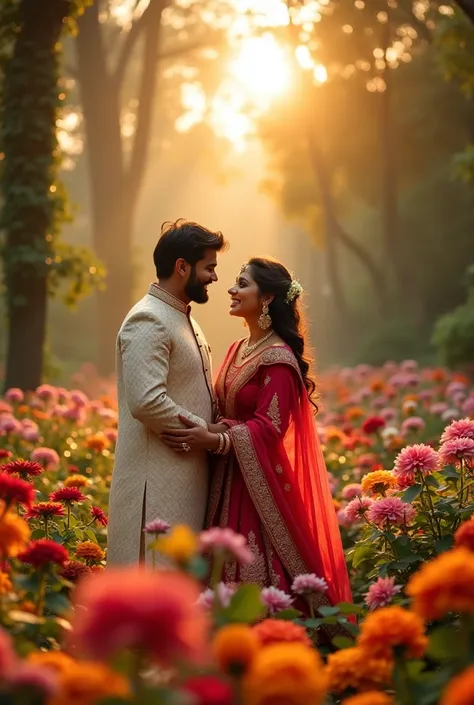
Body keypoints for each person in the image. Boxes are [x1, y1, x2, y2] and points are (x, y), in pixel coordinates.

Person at [161, 257, 352, 614]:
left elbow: (270, 428)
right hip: (225, 477)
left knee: (257, 580)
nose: (231, 290)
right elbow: (221, 410)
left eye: (242, 284)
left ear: (266, 299)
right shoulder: (236, 349)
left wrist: (215, 439)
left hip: (257, 485)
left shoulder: (277, 358)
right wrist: (202, 430)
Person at [107, 219, 228, 565]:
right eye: (209, 268)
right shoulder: (149, 319)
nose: (215, 277)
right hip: (155, 491)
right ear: (181, 266)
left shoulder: (181, 317)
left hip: (182, 483)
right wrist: (205, 432)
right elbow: (146, 400)